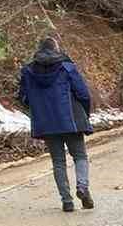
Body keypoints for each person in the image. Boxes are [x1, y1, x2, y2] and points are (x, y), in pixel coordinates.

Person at [17, 36, 94, 212]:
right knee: (80, 156)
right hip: (71, 119)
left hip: (47, 123)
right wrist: (84, 114)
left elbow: (23, 97)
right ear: (56, 49)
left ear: (39, 50)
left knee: (58, 162)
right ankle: (82, 187)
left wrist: (38, 109)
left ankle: (67, 201)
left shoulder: (28, 71)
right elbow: (83, 93)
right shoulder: (67, 67)